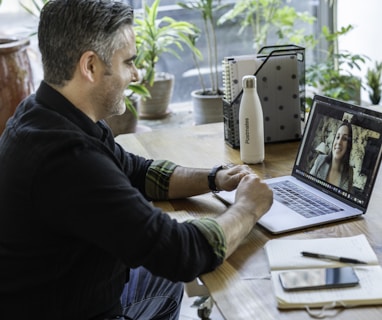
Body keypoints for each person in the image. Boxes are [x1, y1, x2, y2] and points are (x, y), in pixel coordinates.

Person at [0, 1, 273, 319]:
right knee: (181, 265)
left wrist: (214, 177)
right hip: (78, 310)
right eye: (128, 62)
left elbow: (137, 171)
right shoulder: (67, 159)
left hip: (68, 290)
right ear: (90, 66)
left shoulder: (46, 112)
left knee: (163, 272)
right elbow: (181, 253)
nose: (136, 74)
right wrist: (248, 208)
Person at [310, 120, 353, 191]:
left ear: (348, 145)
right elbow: (307, 183)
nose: (339, 142)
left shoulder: (349, 172)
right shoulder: (320, 159)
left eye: (345, 139)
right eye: (337, 137)